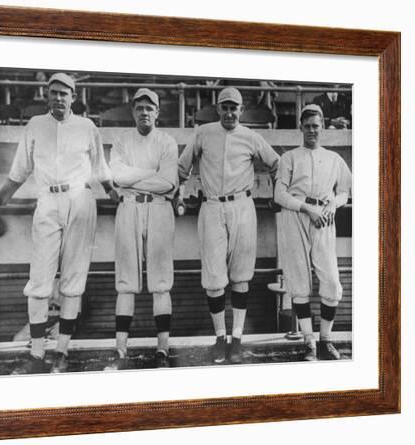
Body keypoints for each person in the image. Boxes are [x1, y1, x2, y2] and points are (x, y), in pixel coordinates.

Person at [0, 72, 118, 374]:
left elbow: (102, 170)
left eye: (64, 94)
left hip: (80, 200)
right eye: (53, 93)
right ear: (47, 95)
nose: (58, 98)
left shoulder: (87, 126)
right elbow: (18, 171)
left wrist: (116, 193)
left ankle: (61, 351)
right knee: (39, 281)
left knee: (73, 281)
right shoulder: (35, 125)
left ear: (74, 97)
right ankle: (37, 354)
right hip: (47, 201)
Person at [178, 87, 280, 364]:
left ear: (241, 110)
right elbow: (181, 167)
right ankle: (220, 337)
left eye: (234, 107)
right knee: (213, 278)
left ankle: (237, 338)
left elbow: (276, 164)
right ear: (218, 108)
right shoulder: (203, 133)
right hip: (211, 206)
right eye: (225, 107)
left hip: (243, 207)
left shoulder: (250, 136)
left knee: (241, 275)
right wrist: (179, 193)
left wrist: (277, 194)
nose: (230, 112)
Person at [105, 88, 178, 370]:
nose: (144, 112)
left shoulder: (167, 142)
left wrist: (131, 179)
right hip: (129, 208)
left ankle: (162, 349)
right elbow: (116, 176)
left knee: (161, 280)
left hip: (159, 208)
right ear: (132, 111)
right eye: (139, 108)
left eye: (149, 108)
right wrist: (151, 175)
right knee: (126, 281)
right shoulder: (122, 141)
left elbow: (169, 183)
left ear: (157, 112)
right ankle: (120, 350)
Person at [274, 104, 352, 361]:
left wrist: (332, 204)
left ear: (322, 127)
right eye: (307, 126)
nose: (311, 130)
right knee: (299, 281)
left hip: (324, 219)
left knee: (331, 280)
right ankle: (309, 341)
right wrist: (308, 208)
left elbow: (344, 191)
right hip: (296, 215)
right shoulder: (290, 157)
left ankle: (326, 339)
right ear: (300, 128)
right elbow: (280, 194)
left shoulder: (333, 158)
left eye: (315, 126)